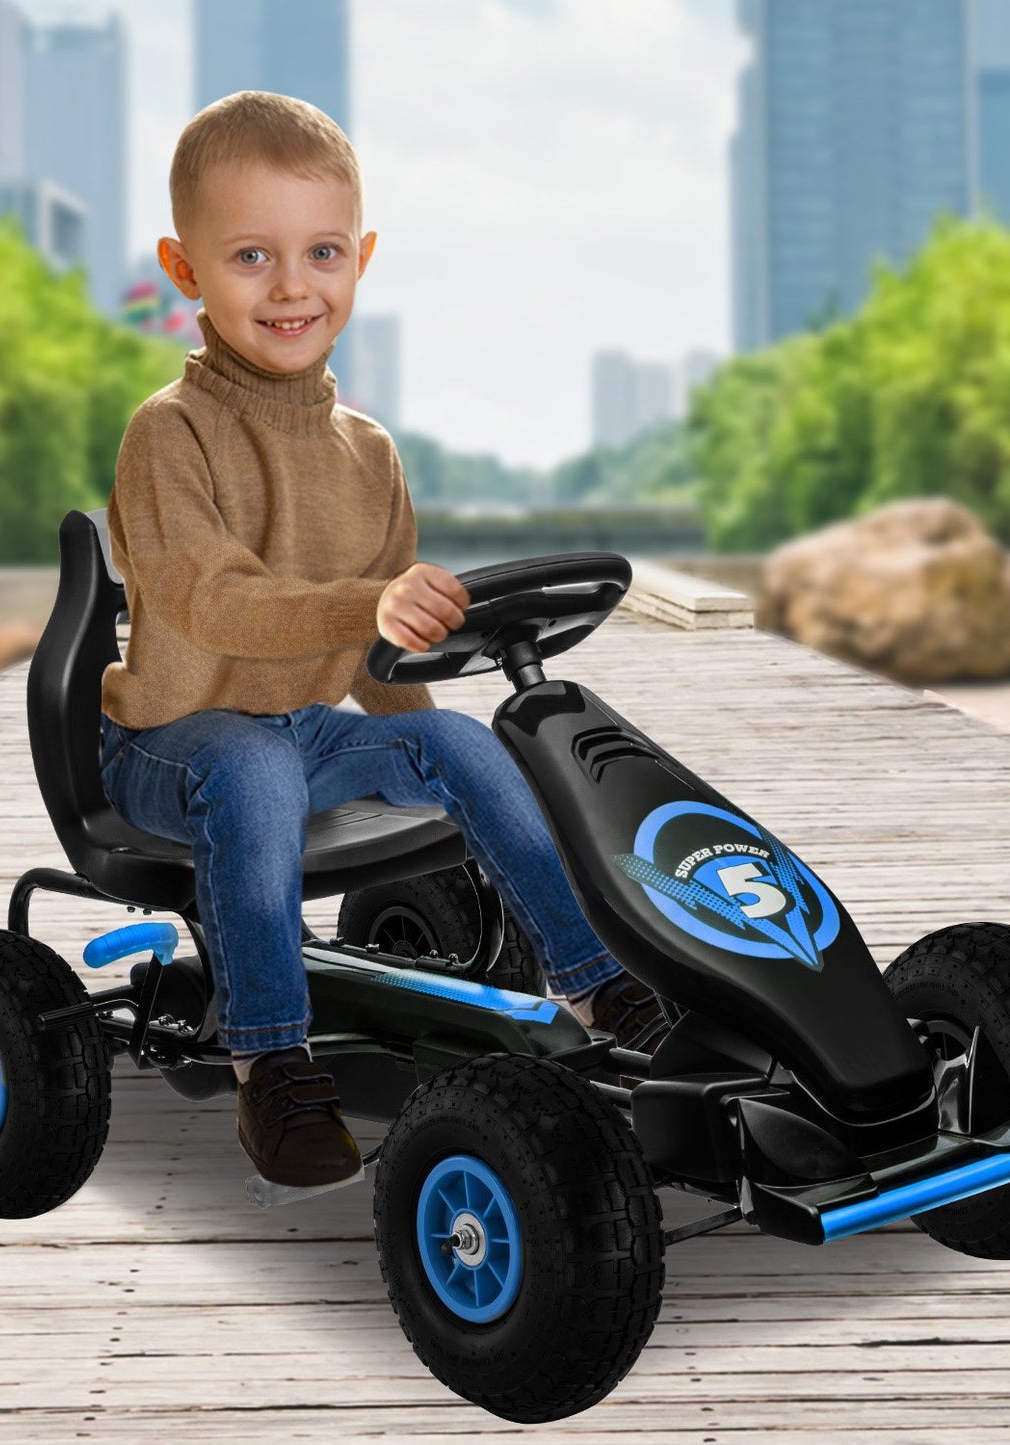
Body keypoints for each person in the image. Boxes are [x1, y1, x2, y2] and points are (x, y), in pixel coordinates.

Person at [97, 91, 667, 1191]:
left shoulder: (369, 452)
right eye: (250, 256)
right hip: (168, 740)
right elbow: (214, 601)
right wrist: (366, 600)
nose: (290, 285)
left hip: (297, 733)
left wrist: (422, 726)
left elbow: (378, 658)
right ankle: (271, 1061)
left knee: (458, 745)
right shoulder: (167, 435)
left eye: (318, 253)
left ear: (359, 259)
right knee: (252, 760)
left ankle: (596, 980)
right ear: (185, 268)